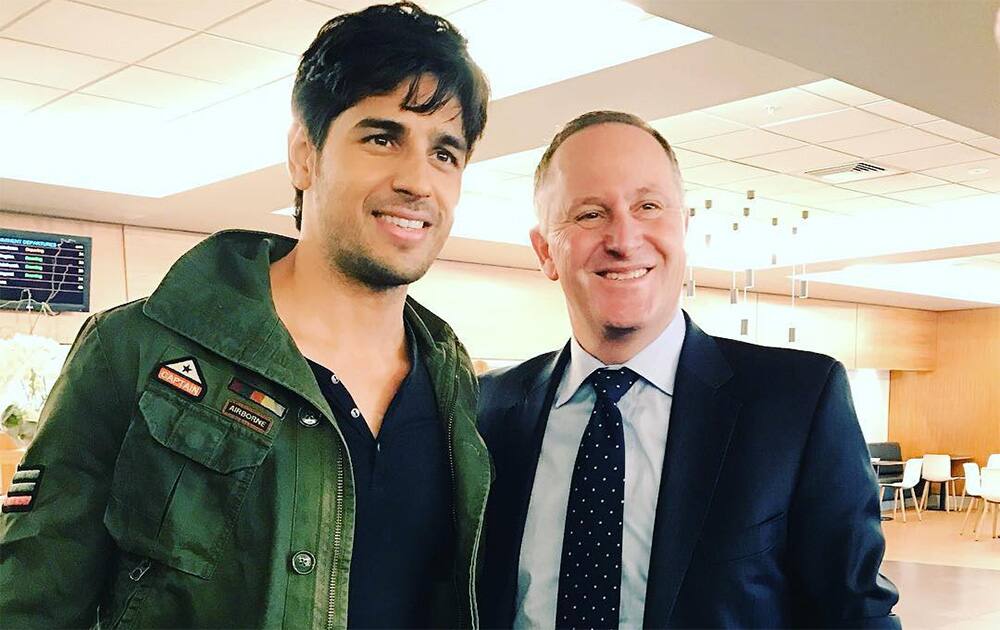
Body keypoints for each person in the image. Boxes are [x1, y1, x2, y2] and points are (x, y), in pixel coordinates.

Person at [0, 3, 491, 627]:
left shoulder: (453, 385)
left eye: (445, 153)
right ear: (305, 156)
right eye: (381, 137)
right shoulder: (136, 350)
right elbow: (30, 605)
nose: (418, 180)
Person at [477, 111, 901, 629]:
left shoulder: (797, 402)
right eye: (590, 214)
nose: (624, 238)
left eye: (648, 206)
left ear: (683, 229)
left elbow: (854, 614)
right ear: (546, 251)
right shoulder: (487, 409)